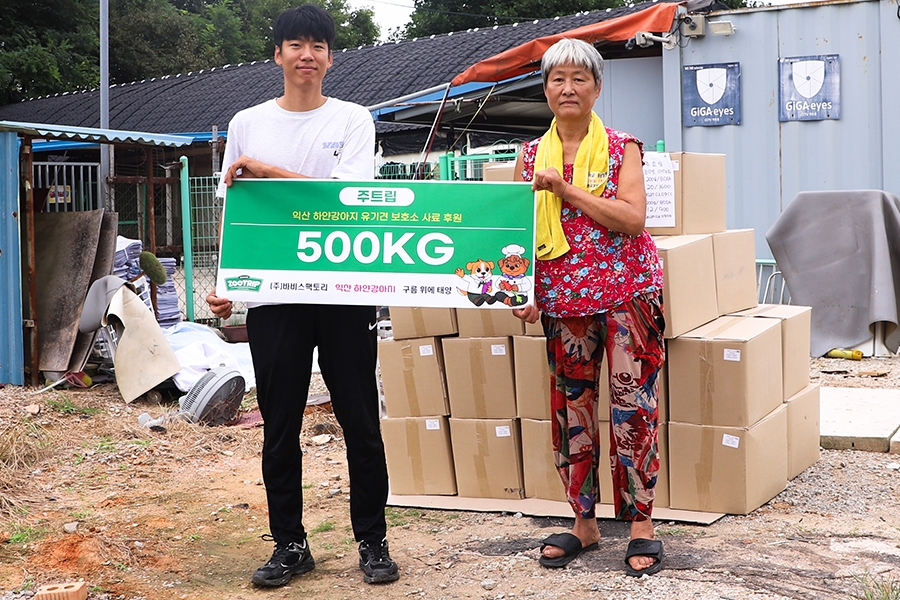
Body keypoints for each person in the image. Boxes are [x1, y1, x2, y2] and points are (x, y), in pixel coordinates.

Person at [205, 4, 399, 588]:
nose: (306, 55)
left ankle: (373, 541)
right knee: (280, 423)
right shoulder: (246, 123)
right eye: (295, 44)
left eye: (317, 45)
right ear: (278, 55)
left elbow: (347, 199)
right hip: (274, 296)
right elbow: (239, 212)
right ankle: (290, 545)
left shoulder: (353, 119)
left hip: (344, 290)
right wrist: (226, 282)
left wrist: (268, 171)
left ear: (331, 58)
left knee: (360, 419)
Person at [511, 38, 666, 577]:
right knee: (571, 410)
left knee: (632, 409)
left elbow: (633, 218)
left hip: (627, 296)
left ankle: (642, 525)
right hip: (563, 302)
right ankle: (584, 522)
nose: (568, 88)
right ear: (545, 89)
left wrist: (566, 190)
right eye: (557, 78)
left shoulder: (623, 147)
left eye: (580, 78)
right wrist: (523, 289)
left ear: (597, 88)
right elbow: (517, 230)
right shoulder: (529, 155)